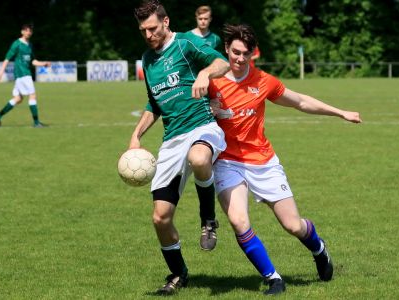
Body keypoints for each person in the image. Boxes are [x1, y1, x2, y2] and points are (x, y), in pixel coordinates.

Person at [208, 23, 362, 295]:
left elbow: (300, 101)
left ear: (253, 53)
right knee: (238, 221)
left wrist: (340, 112)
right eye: (235, 52)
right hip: (227, 162)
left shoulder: (263, 81)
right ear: (226, 50)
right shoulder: (212, 81)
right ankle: (273, 278)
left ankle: (318, 248)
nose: (239, 59)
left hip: (263, 161)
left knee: (293, 225)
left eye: (245, 53)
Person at [130, 0, 230, 295]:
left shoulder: (185, 44)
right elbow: (154, 104)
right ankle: (178, 273)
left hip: (202, 126)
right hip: (171, 140)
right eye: (142, 31)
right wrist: (136, 136)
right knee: (160, 217)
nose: (148, 35)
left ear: (165, 21)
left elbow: (222, 63)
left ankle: (208, 220)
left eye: (152, 28)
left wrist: (204, 74)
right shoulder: (148, 60)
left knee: (199, 158)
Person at [0, 23, 51, 128]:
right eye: (27, 30)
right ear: (22, 32)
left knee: (18, 99)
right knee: (32, 95)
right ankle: (36, 123)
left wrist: (43, 63)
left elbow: (33, 61)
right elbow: (7, 59)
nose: (29, 32)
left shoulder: (30, 45)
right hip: (23, 74)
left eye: (30, 31)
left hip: (23, 75)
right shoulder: (16, 44)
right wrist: (0, 73)